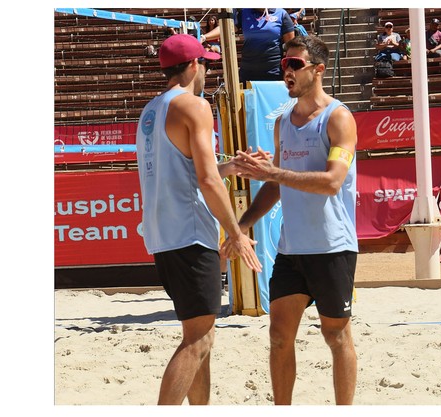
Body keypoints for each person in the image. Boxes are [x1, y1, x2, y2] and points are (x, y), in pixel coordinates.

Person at [230, 35, 359, 405]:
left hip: (333, 246)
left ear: (317, 70)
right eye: (284, 64)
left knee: (336, 336)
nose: (286, 71)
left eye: (295, 64)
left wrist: (274, 173)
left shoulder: (339, 118)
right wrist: (244, 222)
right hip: (292, 249)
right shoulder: (284, 121)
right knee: (279, 337)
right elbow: (276, 184)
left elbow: (332, 182)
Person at [135, 33, 263, 405]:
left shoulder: (151, 110)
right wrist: (235, 232)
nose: (207, 70)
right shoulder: (194, 106)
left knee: (199, 335)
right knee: (198, 340)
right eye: (205, 63)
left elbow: (185, 173)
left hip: (163, 233)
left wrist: (230, 166)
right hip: (190, 234)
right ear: (193, 66)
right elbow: (205, 181)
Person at [202, 8, 295, 85]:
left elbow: (290, 48)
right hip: (248, 73)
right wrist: (204, 37)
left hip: (274, 73)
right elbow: (225, 28)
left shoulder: (281, 14)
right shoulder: (243, 13)